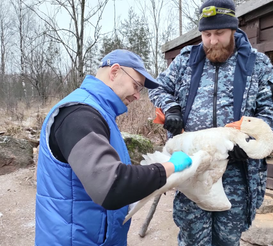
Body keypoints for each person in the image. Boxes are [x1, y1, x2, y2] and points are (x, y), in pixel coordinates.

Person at [149, 0, 273, 245]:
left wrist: (249, 143)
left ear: (233, 29)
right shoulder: (185, 60)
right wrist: (171, 109)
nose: (212, 41)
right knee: (192, 236)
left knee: (227, 237)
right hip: (191, 168)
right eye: (206, 34)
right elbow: (158, 88)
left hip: (235, 171)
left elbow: (272, 107)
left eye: (219, 33)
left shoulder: (257, 63)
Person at [34, 49, 193, 246]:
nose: (137, 95)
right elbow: (110, 186)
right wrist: (170, 167)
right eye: (136, 85)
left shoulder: (100, 113)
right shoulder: (79, 115)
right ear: (115, 71)